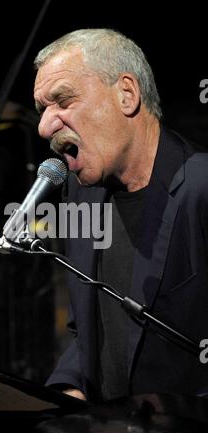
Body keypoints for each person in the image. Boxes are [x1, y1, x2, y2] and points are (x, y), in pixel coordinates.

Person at [33, 29, 208, 403]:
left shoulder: (201, 189)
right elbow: (86, 330)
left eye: (62, 101)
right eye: (43, 110)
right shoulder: (80, 192)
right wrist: (69, 388)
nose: (45, 127)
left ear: (126, 95)